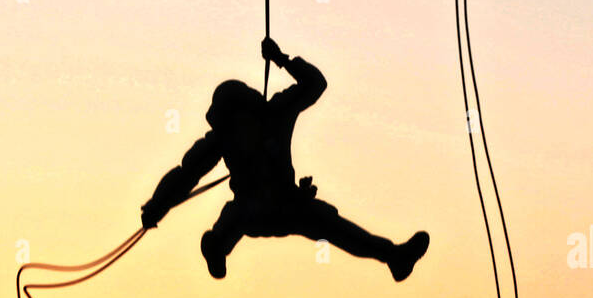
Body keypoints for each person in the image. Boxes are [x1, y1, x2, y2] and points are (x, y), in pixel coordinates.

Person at [141, 36, 430, 281]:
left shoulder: (275, 114)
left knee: (333, 226)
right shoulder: (222, 138)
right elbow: (185, 175)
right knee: (235, 215)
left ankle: (394, 256)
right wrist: (157, 207)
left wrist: (282, 59)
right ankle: (216, 247)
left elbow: (315, 84)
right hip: (253, 211)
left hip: (289, 206)